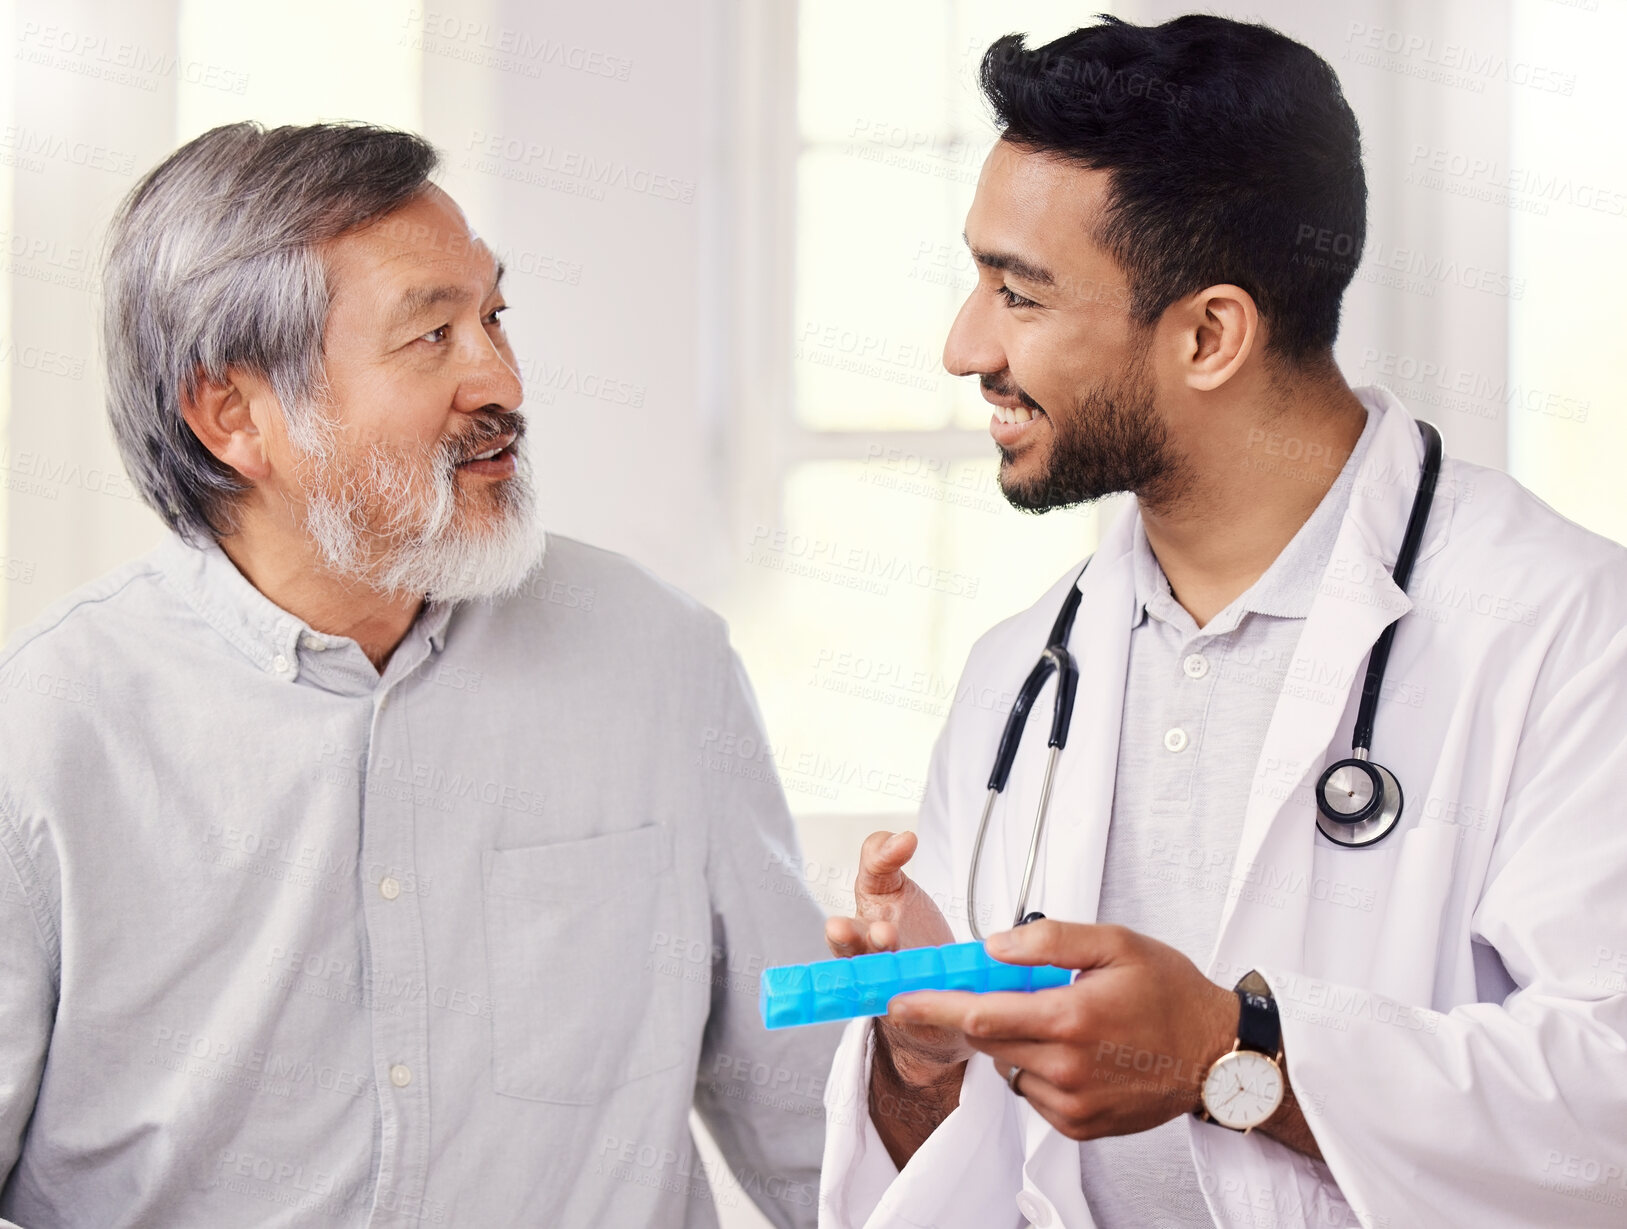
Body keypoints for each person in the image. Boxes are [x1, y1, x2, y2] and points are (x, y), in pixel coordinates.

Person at [817, 16, 1627, 1229]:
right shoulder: (1021, 677)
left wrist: (1225, 1052)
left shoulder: (1566, 631)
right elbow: (957, 1176)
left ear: (1209, 335)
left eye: (1017, 293)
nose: (962, 345)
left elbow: (1606, 1103)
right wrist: (923, 1053)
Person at [0, 121, 838, 1228]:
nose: (501, 378)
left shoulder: (660, 660)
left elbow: (813, 1124)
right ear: (234, 415)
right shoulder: (47, 730)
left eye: (491, 316)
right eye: (429, 335)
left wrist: (918, 1068)